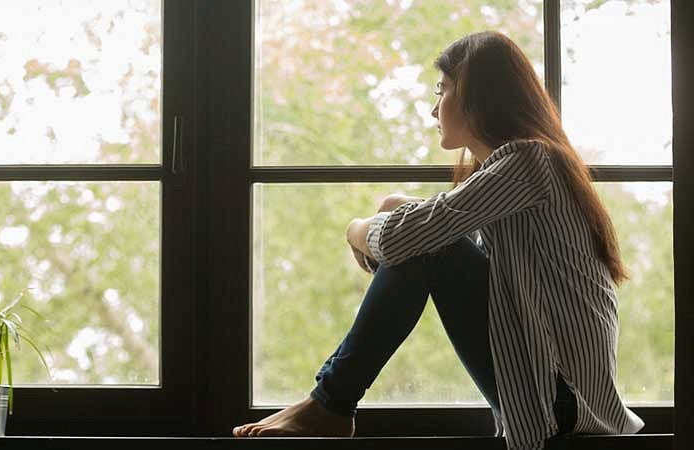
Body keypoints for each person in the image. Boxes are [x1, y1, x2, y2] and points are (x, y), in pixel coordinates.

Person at [232, 30, 645, 450]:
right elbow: (441, 227)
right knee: (426, 239)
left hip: (561, 407)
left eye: (442, 90)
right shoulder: (529, 169)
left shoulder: (529, 160)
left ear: (477, 95)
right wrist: (396, 205)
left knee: (428, 245)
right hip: (554, 400)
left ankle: (330, 404)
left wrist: (354, 229)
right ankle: (328, 404)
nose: (433, 109)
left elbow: (408, 239)